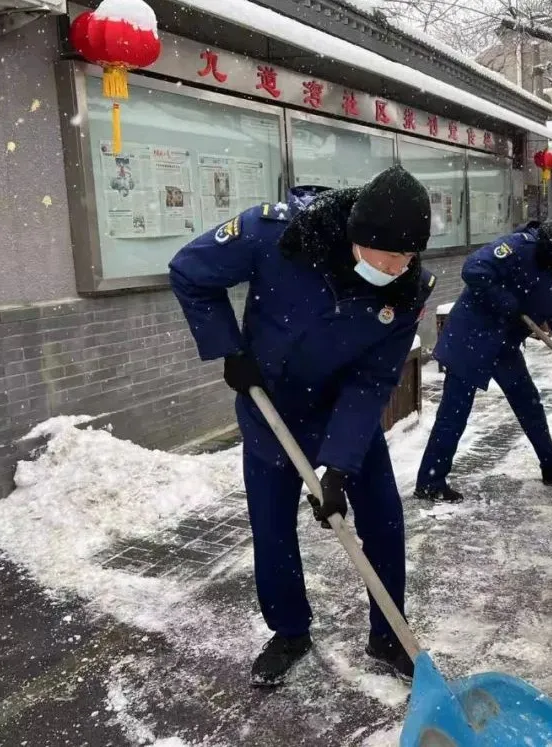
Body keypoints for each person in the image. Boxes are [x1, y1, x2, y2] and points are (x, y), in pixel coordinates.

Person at [168, 166, 435, 688]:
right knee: (272, 529)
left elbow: (372, 380)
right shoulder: (276, 236)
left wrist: (338, 465)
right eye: (389, 255)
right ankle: (289, 631)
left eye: (409, 255)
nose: (399, 266)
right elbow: (189, 272)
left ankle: (389, 634)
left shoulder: (407, 289)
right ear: (358, 237)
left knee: (382, 521)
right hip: (270, 406)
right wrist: (228, 350)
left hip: (342, 413)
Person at [413, 212, 552, 503]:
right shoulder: (521, 247)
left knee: (529, 403)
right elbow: (473, 268)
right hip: (471, 338)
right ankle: (430, 481)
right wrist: (506, 302)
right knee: (454, 413)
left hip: (504, 345)